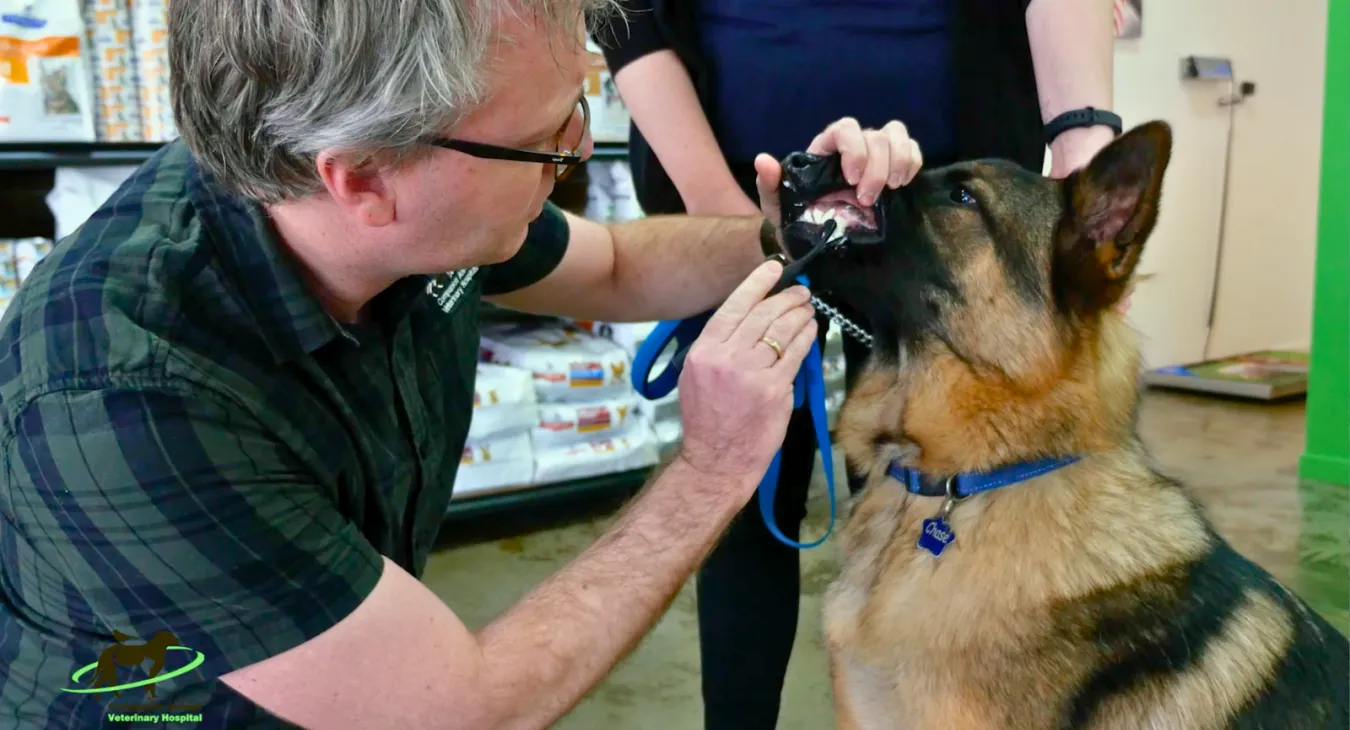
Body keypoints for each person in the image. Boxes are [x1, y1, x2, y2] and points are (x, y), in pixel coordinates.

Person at [0, 1, 926, 729]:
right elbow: (461, 707)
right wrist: (712, 470)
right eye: (542, 144)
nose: (572, 157)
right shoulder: (123, 399)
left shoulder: (384, 207)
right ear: (362, 178)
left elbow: (614, 265)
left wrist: (798, 232)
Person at [596, 2, 1120, 727]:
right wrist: (725, 214)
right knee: (743, 498)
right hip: (745, 203)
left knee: (936, 506)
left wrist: (1082, 148)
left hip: (945, 228)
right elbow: (632, 16)